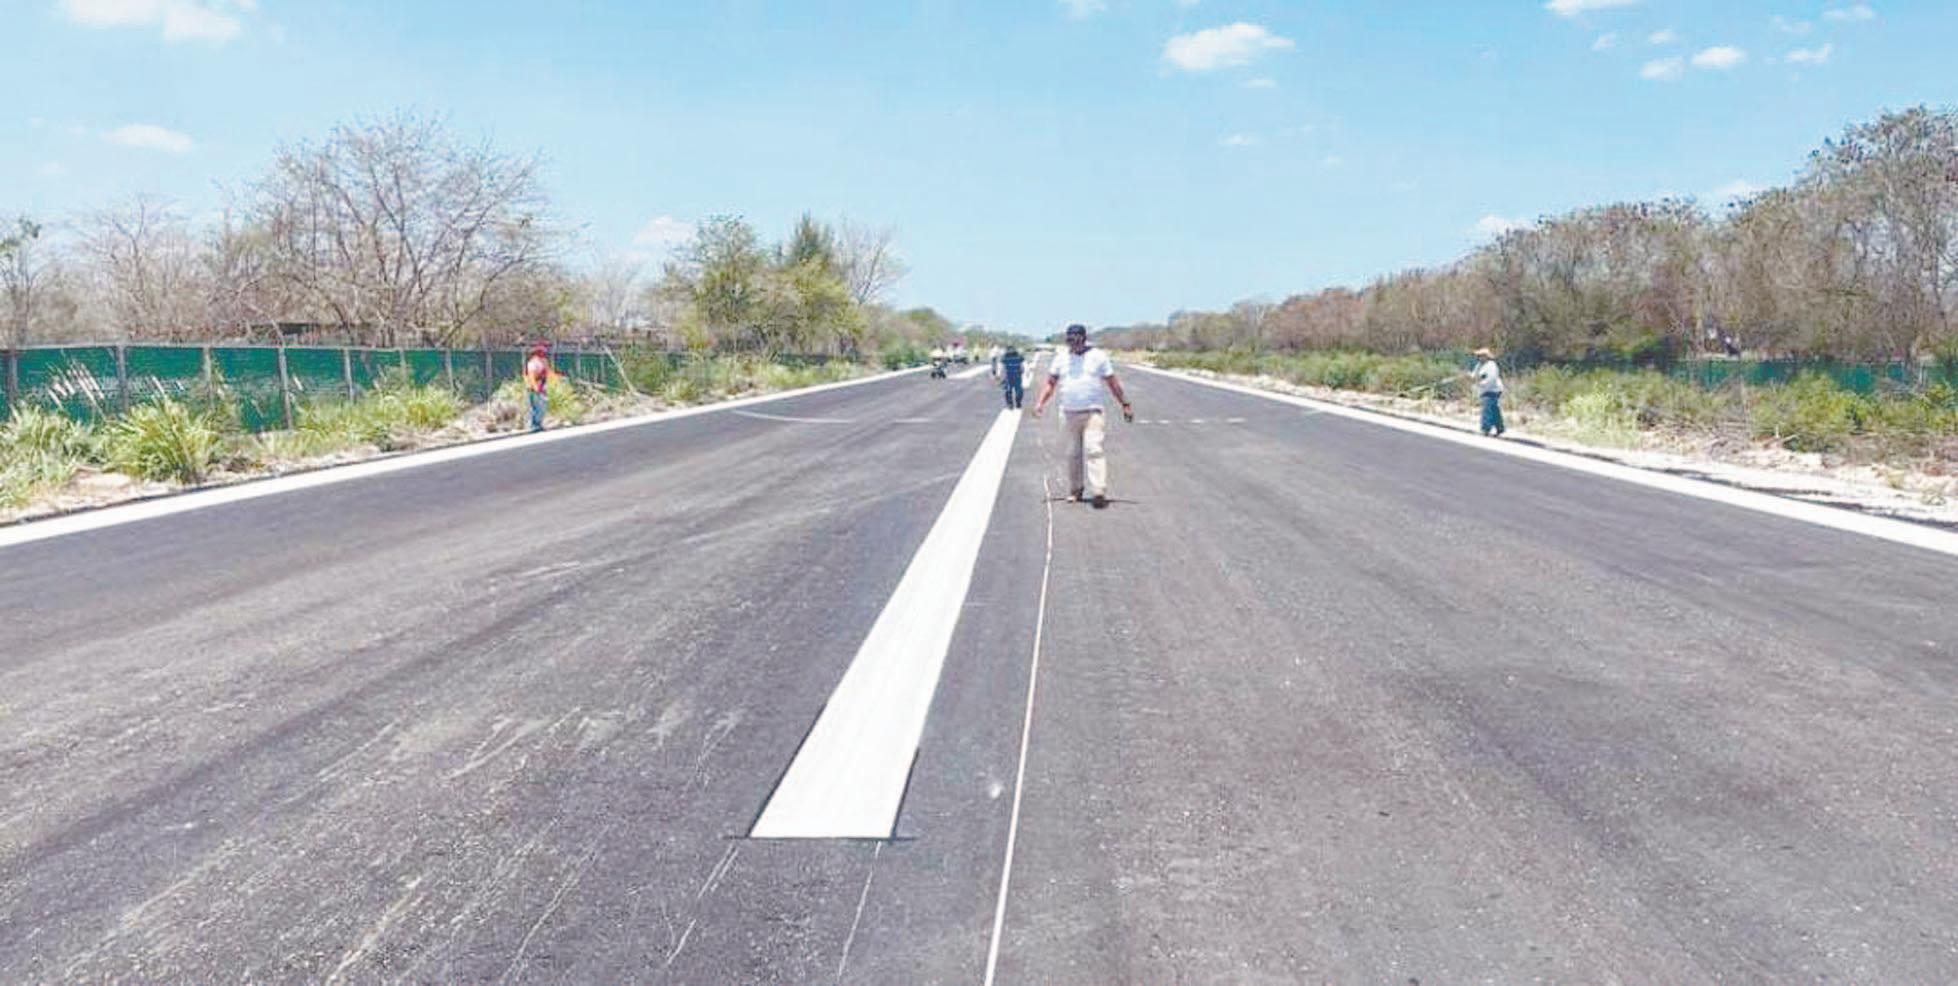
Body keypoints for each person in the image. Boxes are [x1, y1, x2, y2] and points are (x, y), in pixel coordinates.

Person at [1031, 324, 1133, 508]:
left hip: (1093, 412)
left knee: (1094, 449)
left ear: (1084, 339)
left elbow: (1112, 383)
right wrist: (1040, 403)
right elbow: (1050, 383)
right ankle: (1075, 489)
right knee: (1073, 453)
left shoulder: (1098, 357)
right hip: (1068, 413)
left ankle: (1099, 491)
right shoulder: (1061, 359)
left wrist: (1125, 404)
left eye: (1076, 339)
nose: (1073, 344)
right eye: (1070, 340)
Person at [523, 342, 560, 432]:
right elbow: (531, 376)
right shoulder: (532, 363)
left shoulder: (543, 362)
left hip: (542, 387)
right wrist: (535, 387)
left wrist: (556, 378)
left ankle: (538, 423)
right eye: (541, 352)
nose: (543, 353)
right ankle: (534, 425)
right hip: (533, 388)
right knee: (535, 406)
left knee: (542, 406)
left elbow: (548, 372)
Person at [1471, 347, 1505, 437]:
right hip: (1484, 390)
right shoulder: (1479, 365)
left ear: (1486, 356)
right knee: (1494, 409)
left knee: (1487, 409)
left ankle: (1485, 428)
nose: (1479, 358)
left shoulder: (1491, 366)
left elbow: (1491, 379)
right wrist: (1470, 376)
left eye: (1481, 356)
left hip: (1493, 390)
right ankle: (1500, 428)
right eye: (1478, 356)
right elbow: (1475, 375)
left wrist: (1481, 384)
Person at [999, 344, 1026, 409]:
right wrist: (999, 374)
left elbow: (1023, 364)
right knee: (1008, 390)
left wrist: (1024, 371)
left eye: (1011, 349)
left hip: (1017, 376)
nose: (1010, 351)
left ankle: (1018, 401)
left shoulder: (1019, 356)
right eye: (1009, 349)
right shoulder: (1005, 357)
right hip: (1008, 377)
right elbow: (1001, 366)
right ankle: (1010, 403)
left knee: (1019, 391)